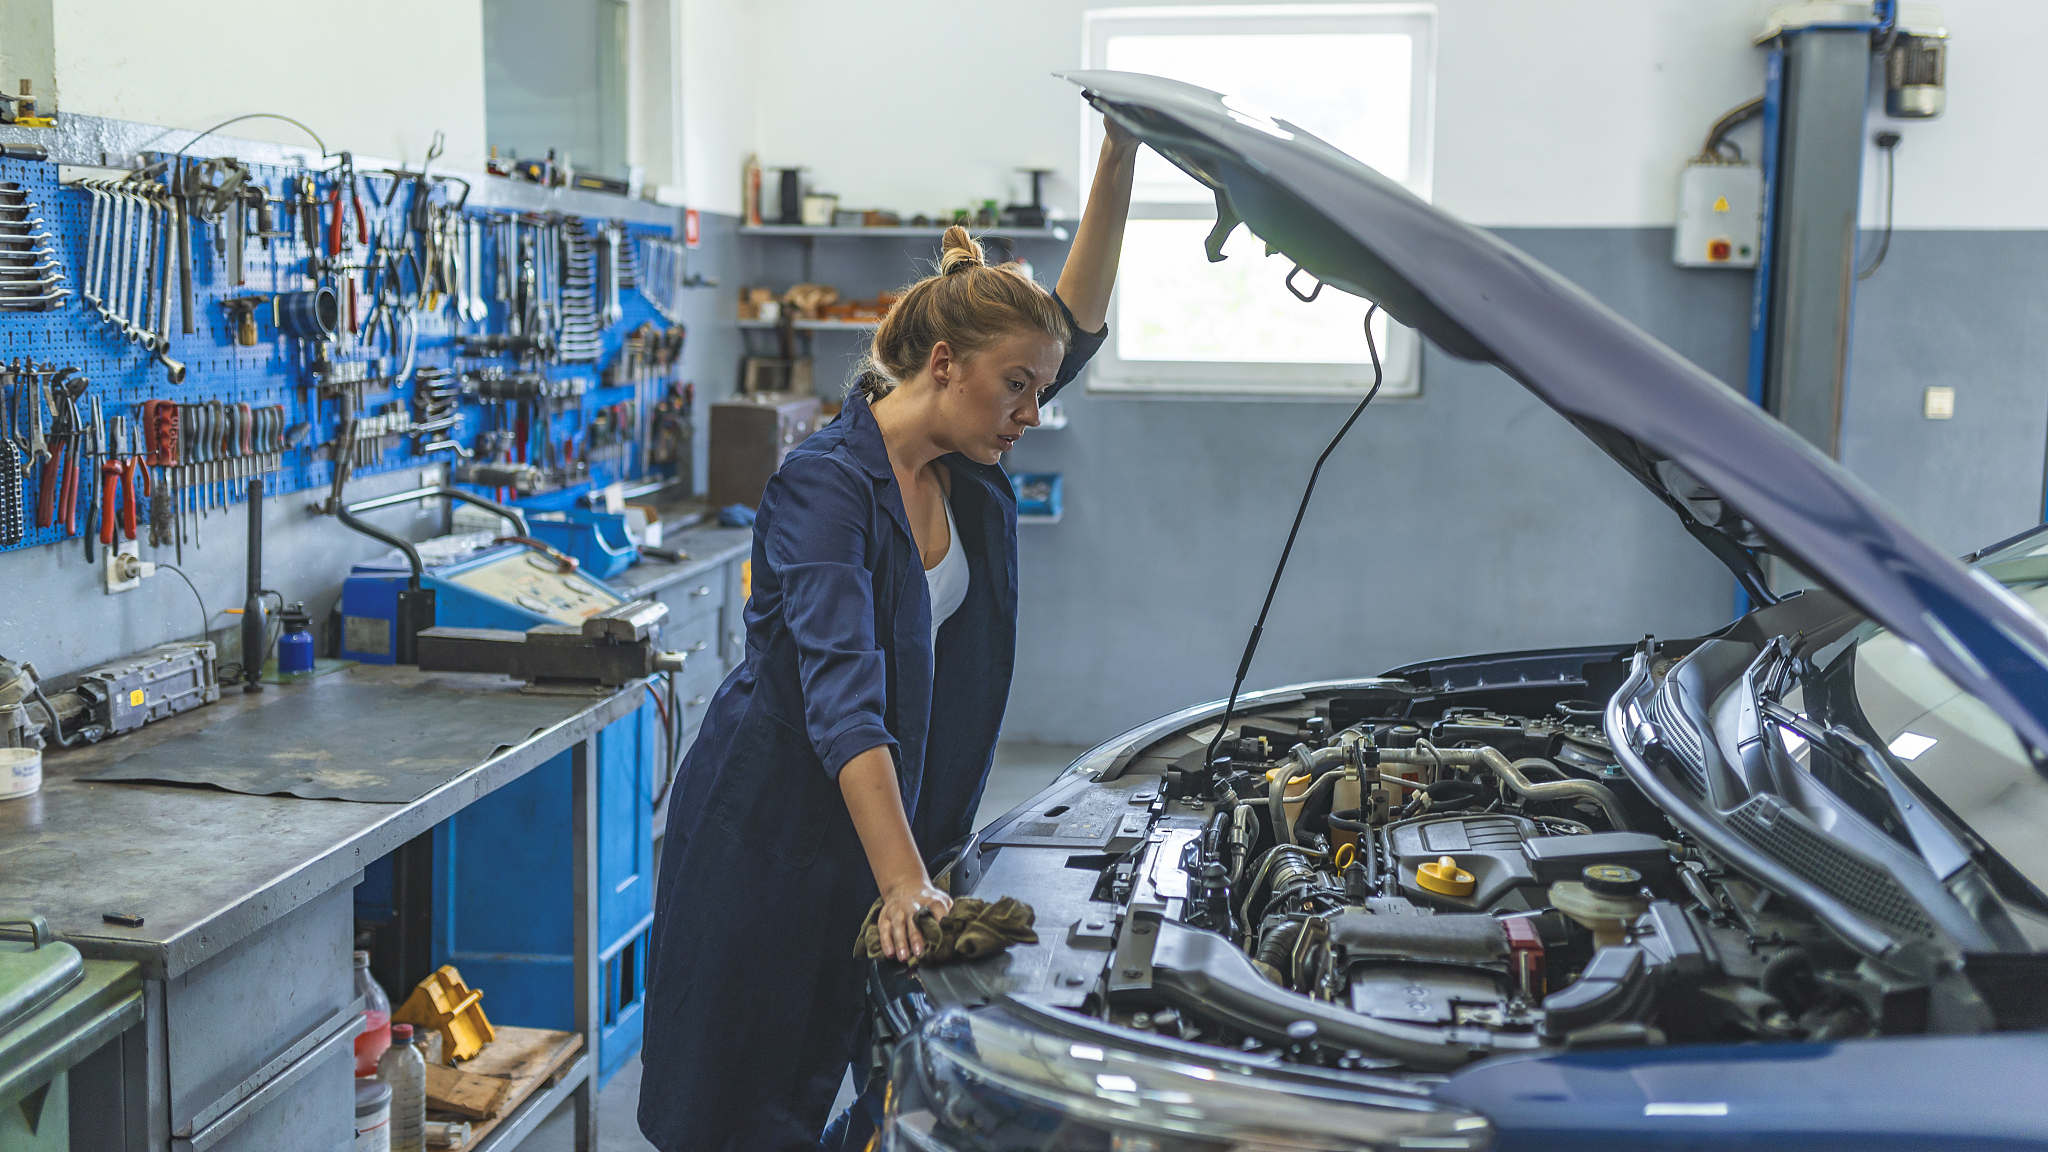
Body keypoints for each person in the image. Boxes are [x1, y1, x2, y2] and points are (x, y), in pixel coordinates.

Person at [638, 117, 1138, 1151]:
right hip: (771, 830)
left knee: (881, 1075)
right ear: (945, 365)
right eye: (1018, 388)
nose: (1033, 412)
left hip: (890, 820)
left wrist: (1119, 154)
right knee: (739, 1101)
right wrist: (904, 877)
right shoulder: (823, 488)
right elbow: (842, 698)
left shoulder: (965, 455)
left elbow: (1070, 324)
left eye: (1040, 390)